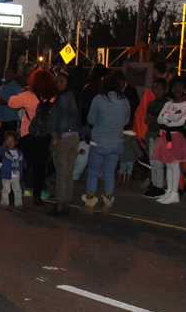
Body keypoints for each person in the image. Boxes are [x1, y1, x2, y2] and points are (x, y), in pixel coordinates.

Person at [82, 74, 130, 214]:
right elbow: (126, 121)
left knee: (93, 173)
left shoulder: (98, 99)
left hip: (99, 142)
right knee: (109, 173)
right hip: (116, 142)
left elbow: (90, 119)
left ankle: (90, 204)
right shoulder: (124, 100)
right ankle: (107, 205)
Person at [8, 69, 56, 205]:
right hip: (45, 136)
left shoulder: (28, 95)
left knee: (22, 165)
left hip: (27, 135)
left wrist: (22, 91)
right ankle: (37, 196)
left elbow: (11, 102)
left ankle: (12, 194)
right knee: (40, 167)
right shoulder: (53, 99)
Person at [153, 77, 186, 205]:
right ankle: (169, 190)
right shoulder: (168, 103)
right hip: (165, 136)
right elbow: (159, 119)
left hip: (176, 137)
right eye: (175, 87)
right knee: (168, 165)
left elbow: (176, 117)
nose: (177, 90)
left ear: (185, 90)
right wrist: (168, 118)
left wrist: (167, 117)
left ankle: (175, 192)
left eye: (180, 87)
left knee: (174, 165)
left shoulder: (185, 104)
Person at [48, 71, 80, 216]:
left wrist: (55, 138)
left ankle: (60, 205)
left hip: (64, 137)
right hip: (74, 136)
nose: (58, 84)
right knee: (67, 172)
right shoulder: (72, 96)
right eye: (57, 81)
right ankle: (66, 203)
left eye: (62, 81)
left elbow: (61, 120)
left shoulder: (63, 98)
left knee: (61, 173)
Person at [143, 77, 169, 197]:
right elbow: (148, 118)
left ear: (165, 90)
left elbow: (166, 120)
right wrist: (148, 120)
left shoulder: (167, 104)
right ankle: (154, 184)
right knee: (152, 161)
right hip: (152, 134)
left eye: (160, 89)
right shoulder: (151, 103)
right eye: (156, 88)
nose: (157, 91)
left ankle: (159, 186)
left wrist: (156, 120)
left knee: (158, 162)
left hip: (161, 135)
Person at [0, 131, 25, 210]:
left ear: (16, 142)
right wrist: (2, 146)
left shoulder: (19, 152)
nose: (9, 143)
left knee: (17, 190)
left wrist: (24, 162)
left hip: (16, 175)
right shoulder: (5, 152)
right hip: (6, 175)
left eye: (12, 141)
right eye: (7, 141)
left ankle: (18, 203)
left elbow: (21, 161)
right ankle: (4, 203)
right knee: (6, 190)